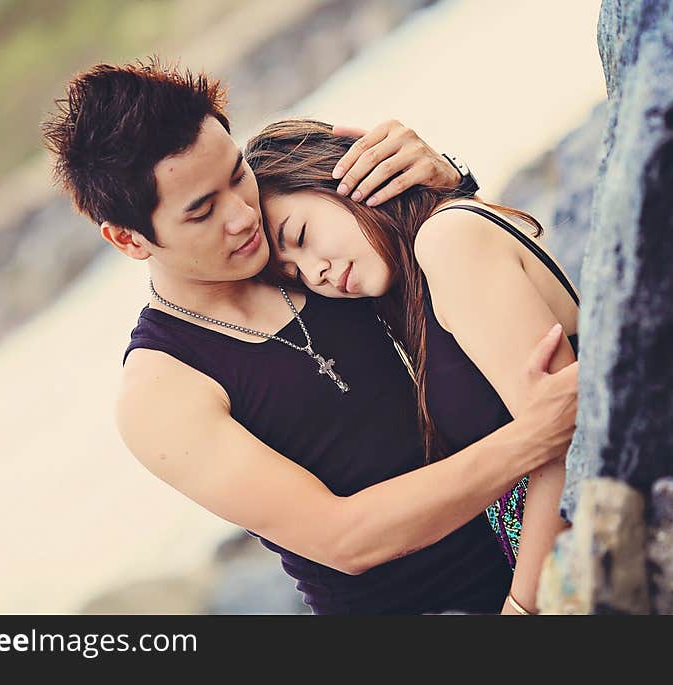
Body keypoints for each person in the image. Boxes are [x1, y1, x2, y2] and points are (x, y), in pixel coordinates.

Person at [40, 59, 579, 615]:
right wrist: (535, 436)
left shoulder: (307, 236)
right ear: (129, 240)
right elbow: (345, 540)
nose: (242, 216)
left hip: (530, 563)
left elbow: (461, 284)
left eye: (235, 175)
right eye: (202, 211)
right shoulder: (162, 390)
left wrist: (442, 182)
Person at [246, 119, 581, 615]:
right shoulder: (414, 287)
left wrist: (523, 607)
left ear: (350, 178)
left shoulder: (449, 240)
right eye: (292, 273)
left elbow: (568, 441)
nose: (313, 270)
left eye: (300, 234)